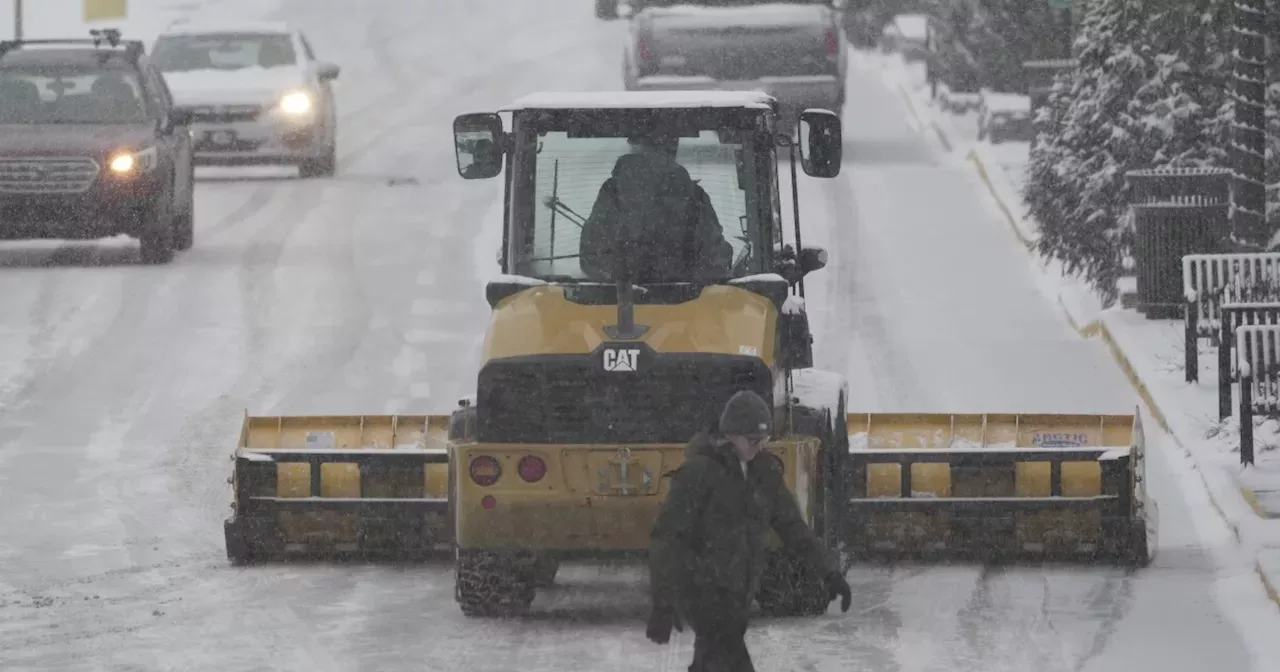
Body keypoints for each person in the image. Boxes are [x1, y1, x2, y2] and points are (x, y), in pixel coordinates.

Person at [646, 390, 852, 672]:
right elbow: (667, 539)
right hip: (703, 592)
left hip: (740, 592)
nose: (759, 447)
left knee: (710, 662)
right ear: (730, 434)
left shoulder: (763, 473)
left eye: (764, 440)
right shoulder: (698, 472)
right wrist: (663, 602)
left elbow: (793, 527)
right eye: (753, 440)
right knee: (728, 658)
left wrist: (830, 574)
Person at [578, 131, 733, 283]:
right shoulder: (694, 196)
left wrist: (624, 279)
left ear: (636, 147)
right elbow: (714, 261)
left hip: (616, 303)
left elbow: (592, 256)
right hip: (686, 303)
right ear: (671, 149)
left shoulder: (612, 192)